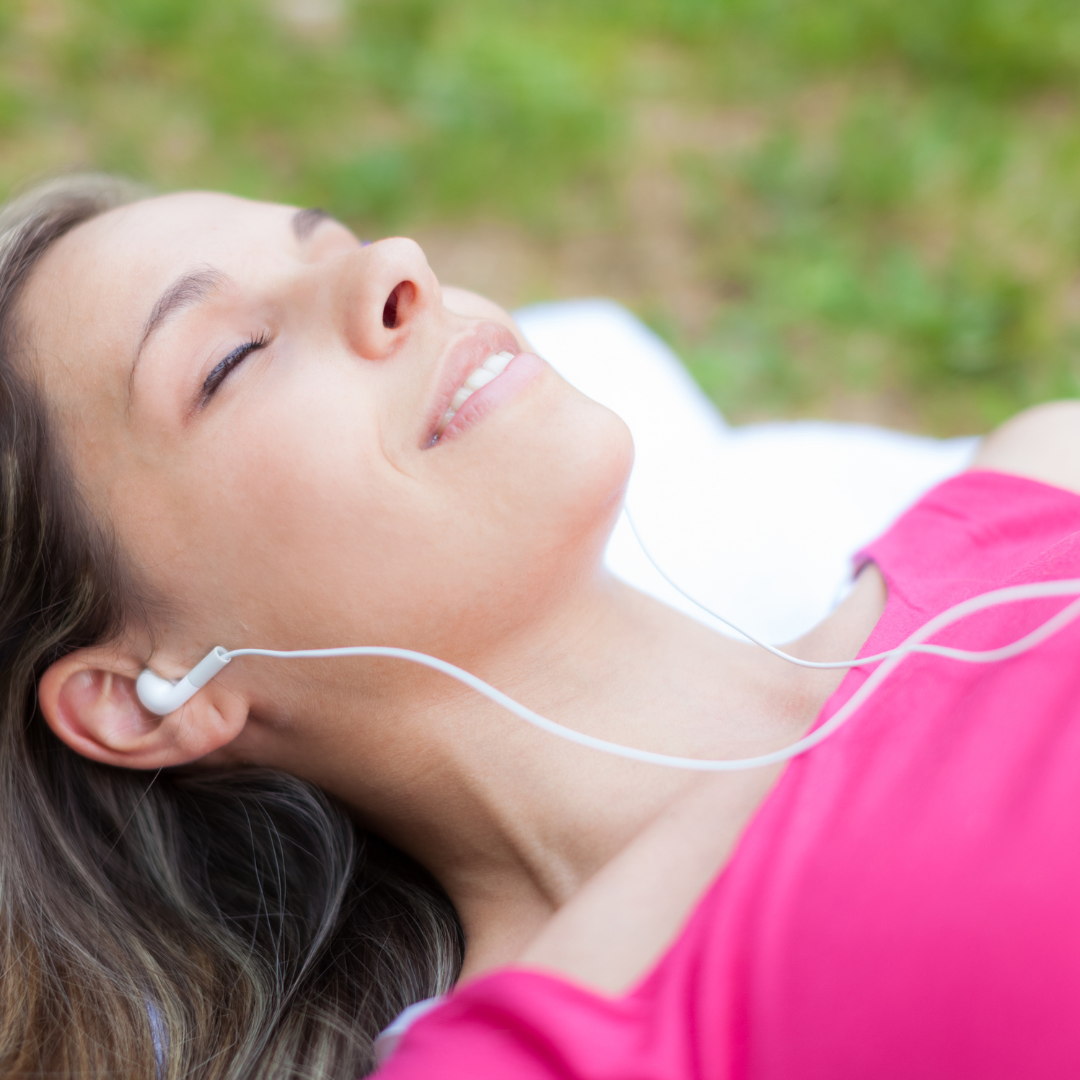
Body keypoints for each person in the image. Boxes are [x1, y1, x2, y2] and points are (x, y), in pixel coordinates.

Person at [2, 173, 1080, 1079]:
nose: (399, 268)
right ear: (141, 699)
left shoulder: (1038, 484)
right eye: (231, 358)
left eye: (342, 244)